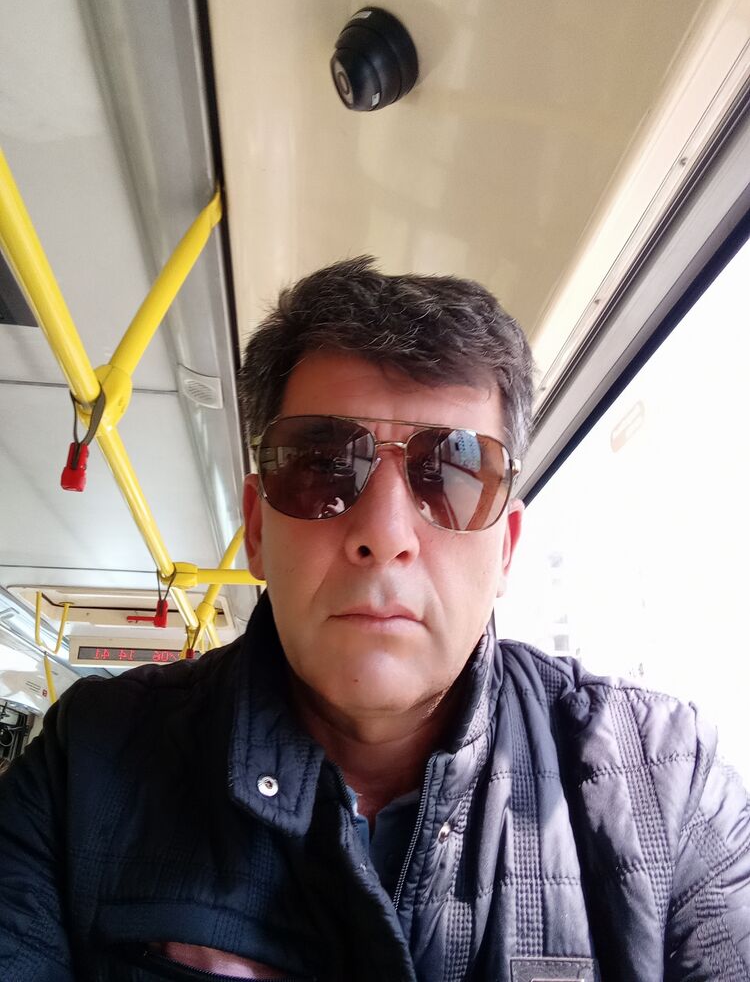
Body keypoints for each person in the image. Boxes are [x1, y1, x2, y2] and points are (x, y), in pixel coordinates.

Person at [0, 257, 748, 982]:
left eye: (452, 473)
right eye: (322, 465)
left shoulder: (668, 784)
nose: (385, 534)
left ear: (506, 548)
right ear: (256, 528)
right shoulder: (84, 764)